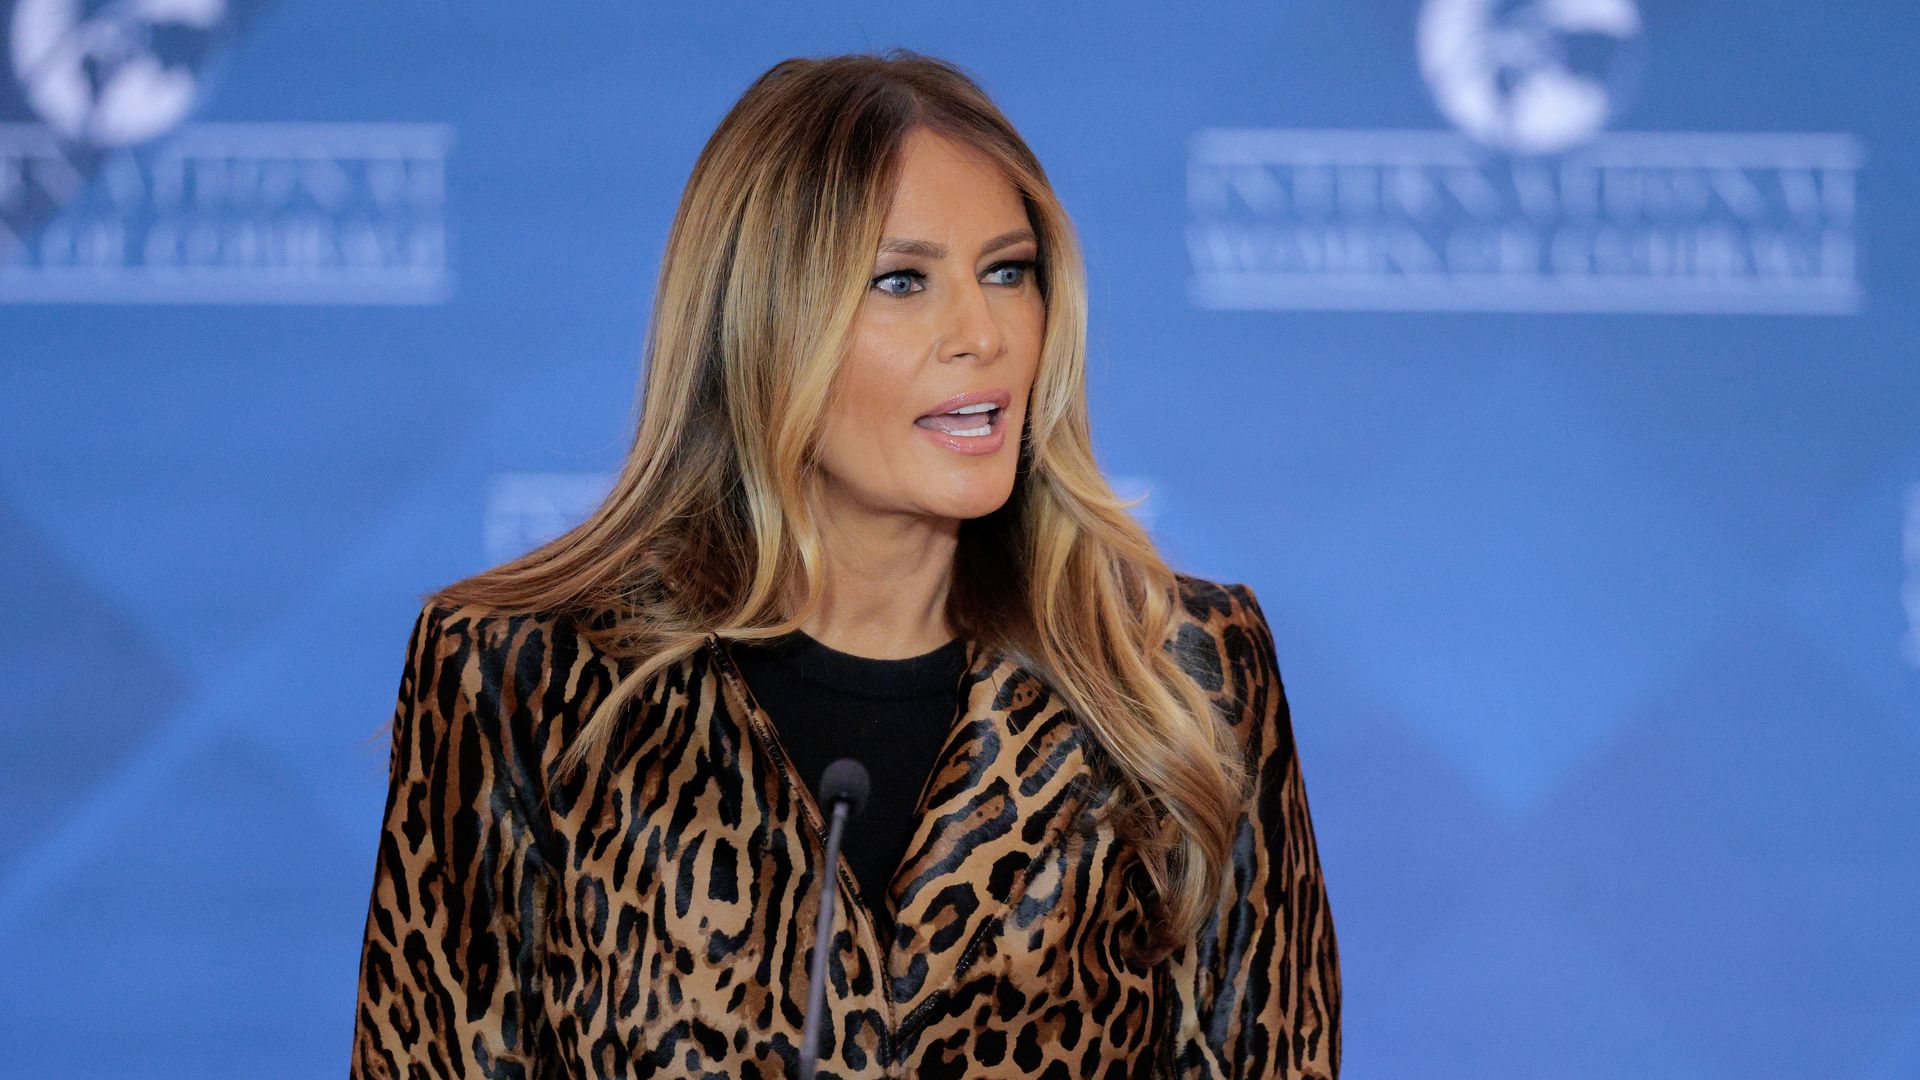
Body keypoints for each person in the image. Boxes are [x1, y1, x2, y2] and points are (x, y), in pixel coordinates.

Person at [349, 49, 1340, 1079]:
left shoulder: (1179, 671)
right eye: (901, 281)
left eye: (1008, 271)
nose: (984, 332)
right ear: (765, 326)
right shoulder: (519, 678)